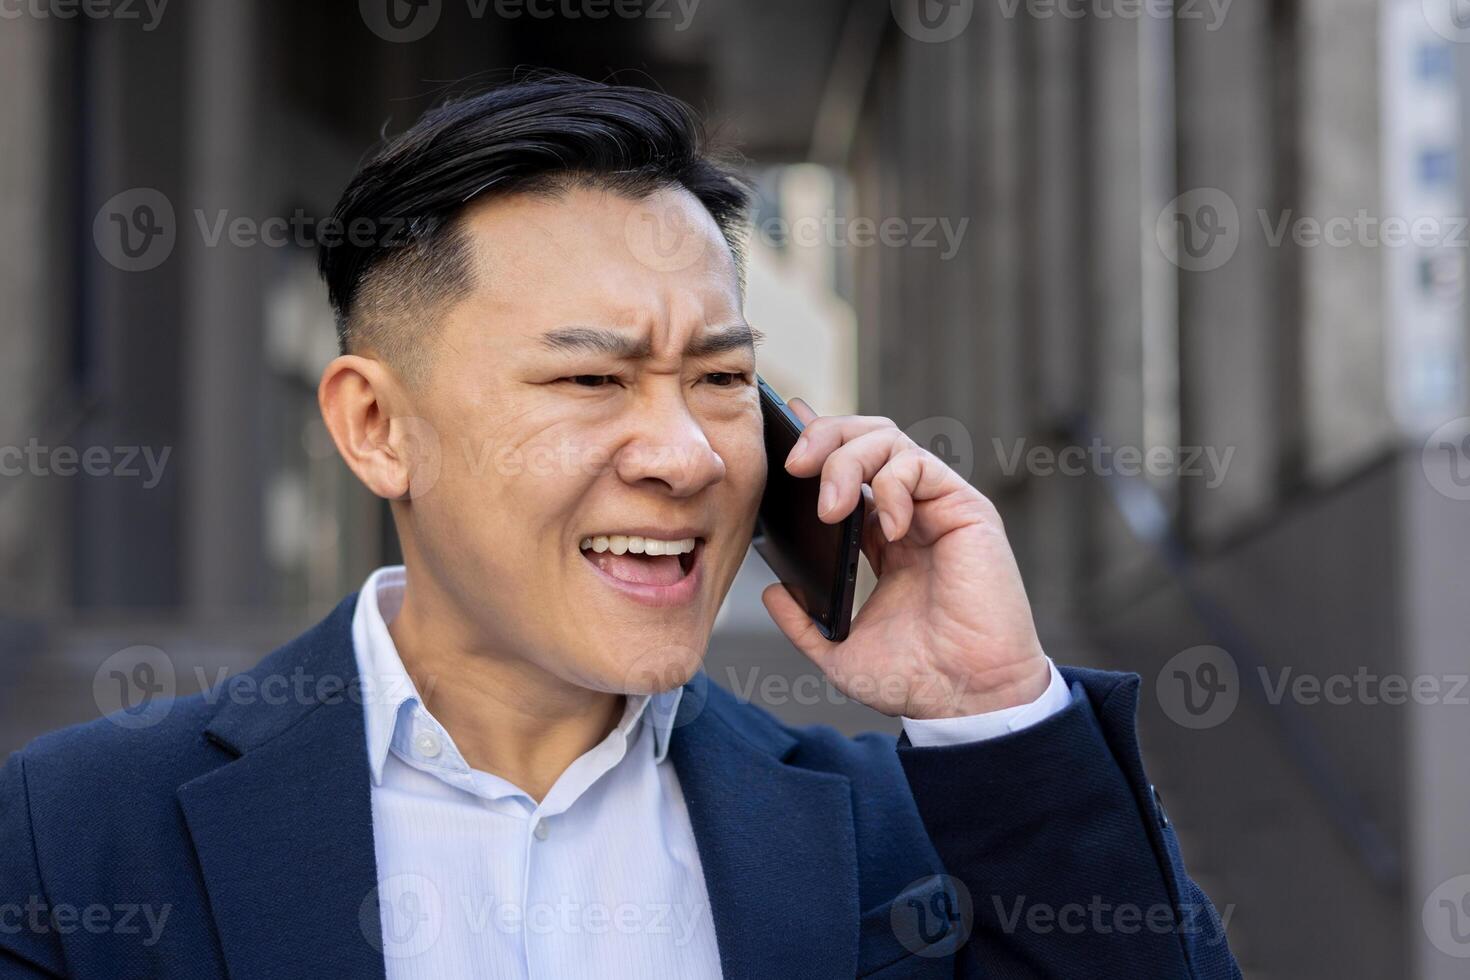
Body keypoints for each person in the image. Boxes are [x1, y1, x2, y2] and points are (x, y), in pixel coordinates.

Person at [0, 73, 1241, 979]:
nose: (687, 453)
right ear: (378, 426)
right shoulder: (78, 834)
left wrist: (994, 707)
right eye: (593, 380)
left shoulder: (899, 835)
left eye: (717, 377)